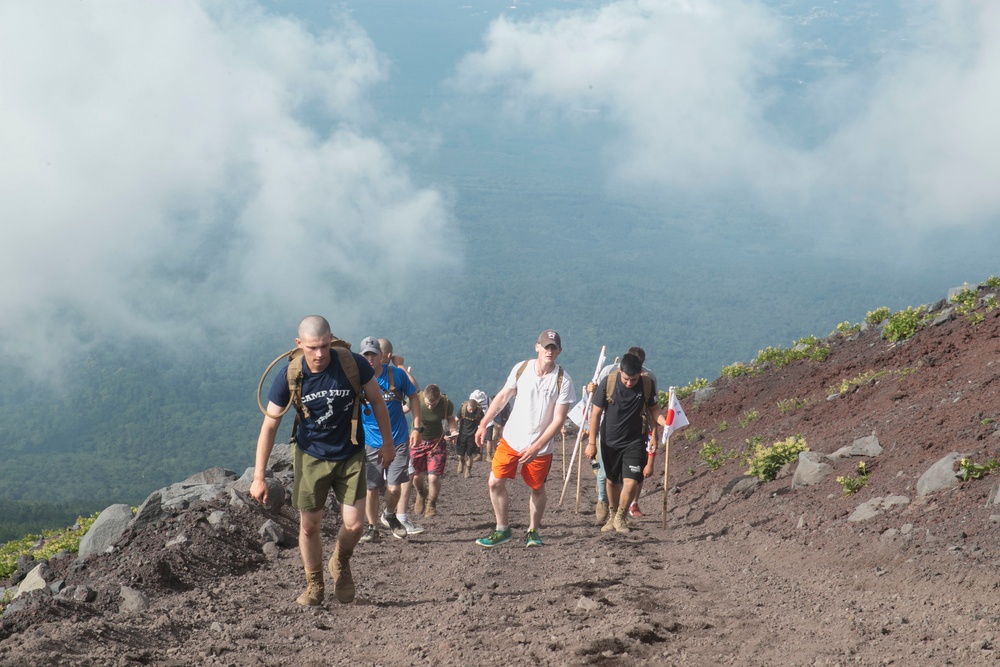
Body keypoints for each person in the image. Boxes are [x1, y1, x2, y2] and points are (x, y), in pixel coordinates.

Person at [252, 316, 394, 606]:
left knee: (355, 525)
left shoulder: (353, 364)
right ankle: (314, 583)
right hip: (310, 455)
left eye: (325, 346)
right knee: (309, 525)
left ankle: (339, 562)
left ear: (332, 340)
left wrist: (388, 443)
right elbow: (269, 426)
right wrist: (258, 477)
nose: (319, 354)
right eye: (313, 347)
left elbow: (378, 401)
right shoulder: (290, 374)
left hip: (350, 451)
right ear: (299, 344)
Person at [474, 330, 576, 548]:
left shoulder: (563, 380)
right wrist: (483, 424)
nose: (549, 351)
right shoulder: (521, 369)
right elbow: (502, 396)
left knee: (537, 488)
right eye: (546, 346)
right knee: (494, 482)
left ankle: (533, 531)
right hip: (511, 439)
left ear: (559, 351)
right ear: (537, 347)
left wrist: (536, 446)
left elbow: (558, 420)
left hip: (540, 447)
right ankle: (502, 529)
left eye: (553, 347)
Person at [585, 352, 665, 534]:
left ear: (640, 374)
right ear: (620, 371)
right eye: (626, 379)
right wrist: (591, 442)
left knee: (630, 482)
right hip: (609, 441)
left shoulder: (646, 384)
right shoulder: (608, 382)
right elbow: (596, 414)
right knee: (612, 482)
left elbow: (654, 409)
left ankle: (621, 516)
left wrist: (665, 423)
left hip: (635, 441)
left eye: (634, 379)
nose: (629, 383)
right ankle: (612, 515)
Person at [357, 337, 421, 543]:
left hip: (398, 439)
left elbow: (414, 396)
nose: (369, 359)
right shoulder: (356, 379)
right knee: (372, 487)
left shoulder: (397, 375)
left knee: (394, 487)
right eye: (365, 355)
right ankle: (372, 527)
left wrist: (417, 427)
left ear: (381, 356)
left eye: (373, 354)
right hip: (370, 441)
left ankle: (390, 514)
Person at [377, 338, 424, 536]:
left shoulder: (394, 375)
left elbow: (414, 392)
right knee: (376, 486)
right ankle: (395, 518)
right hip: (378, 439)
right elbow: (416, 389)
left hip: (397, 438)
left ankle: (395, 518)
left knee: (403, 479)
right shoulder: (375, 374)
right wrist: (401, 364)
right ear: (389, 355)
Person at [411, 384, 458, 518]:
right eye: (428, 404)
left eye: (434, 404)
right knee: (416, 475)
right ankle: (421, 493)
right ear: (424, 397)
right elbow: (402, 409)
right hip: (417, 441)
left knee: (433, 476)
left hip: (436, 442)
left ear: (439, 399)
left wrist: (453, 431)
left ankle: (431, 504)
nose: (431, 406)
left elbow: (450, 419)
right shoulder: (416, 399)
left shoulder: (446, 404)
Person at [456, 397, 484, 477]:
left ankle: (468, 471)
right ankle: (461, 462)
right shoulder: (463, 409)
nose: (471, 411)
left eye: (473, 409)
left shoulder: (479, 411)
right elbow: (456, 419)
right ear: (467, 405)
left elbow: (483, 422)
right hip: (462, 435)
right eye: (470, 409)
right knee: (460, 455)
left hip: (472, 436)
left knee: (470, 455)